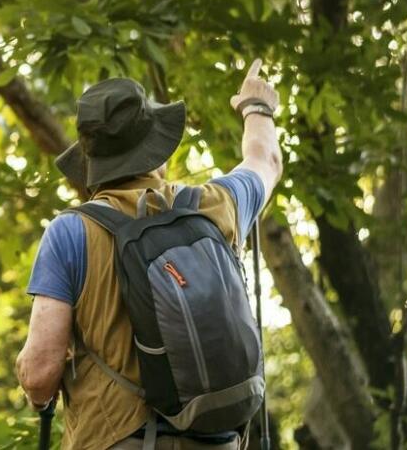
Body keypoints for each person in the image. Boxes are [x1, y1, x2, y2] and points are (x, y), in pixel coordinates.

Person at [15, 60, 283, 450]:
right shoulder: (215, 204)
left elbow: (40, 371)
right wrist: (256, 107)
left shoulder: (71, 232)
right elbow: (265, 161)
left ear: (93, 163)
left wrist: (36, 391)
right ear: (157, 154)